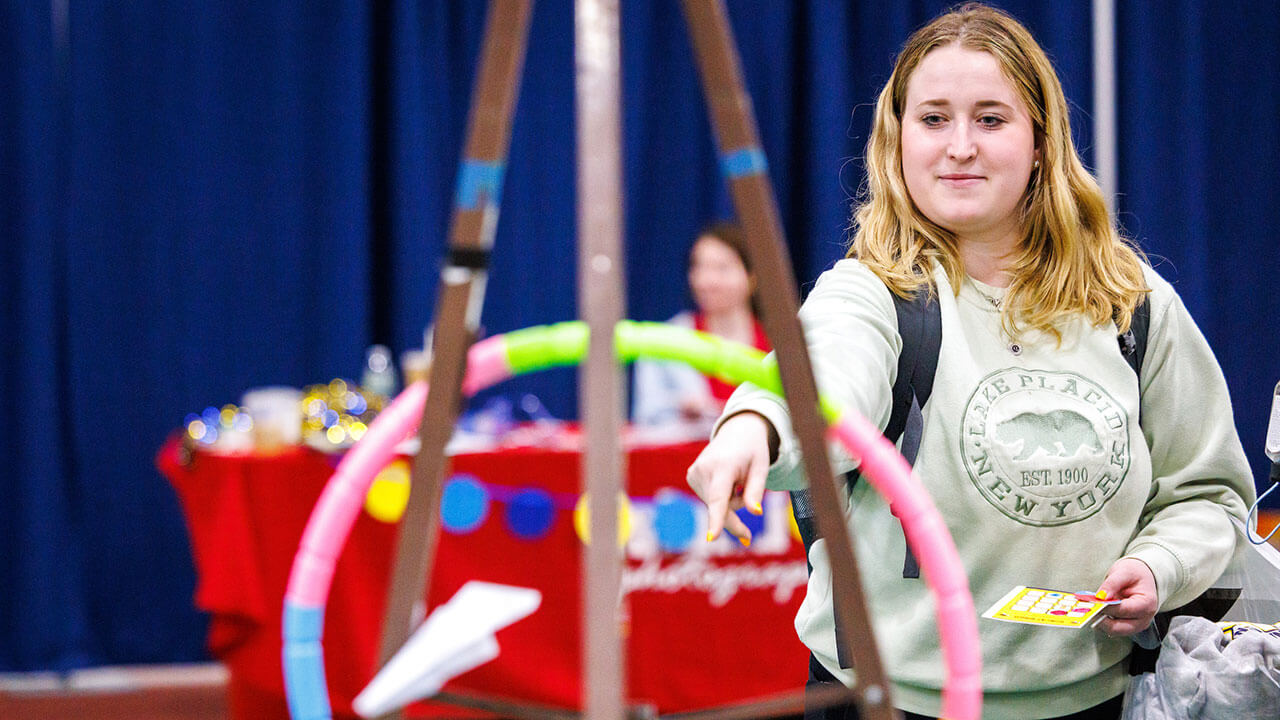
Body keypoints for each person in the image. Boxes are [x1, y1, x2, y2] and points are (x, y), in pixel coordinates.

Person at [684, 5, 1256, 720]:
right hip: (885, 701)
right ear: (896, 142)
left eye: (990, 119)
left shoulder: (1132, 302)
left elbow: (1207, 493)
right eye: (932, 120)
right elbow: (823, 379)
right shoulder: (872, 293)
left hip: (1094, 701)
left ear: (1041, 142)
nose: (960, 146)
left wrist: (1157, 567)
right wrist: (757, 426)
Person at [632, 222, 771, 427]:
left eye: (722, 269)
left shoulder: (780, 346)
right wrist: (680, 414)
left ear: (752, 277)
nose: (707, 281)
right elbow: (645, 423)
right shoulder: (663, 344)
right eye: (699, 267)